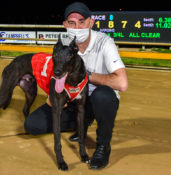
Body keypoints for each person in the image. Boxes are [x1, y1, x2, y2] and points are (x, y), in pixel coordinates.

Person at [24, 2, 128, 170]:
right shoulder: (64, 41)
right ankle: (81, 126)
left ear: (91, 22)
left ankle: (103, 146)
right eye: (71, 23)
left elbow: (122, 83)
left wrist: (87, 76)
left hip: (94, 100)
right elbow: (54, 67)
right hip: (70, 99)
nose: (77, 27)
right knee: (32, 125)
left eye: (82, 21)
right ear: (64, 25)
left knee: (103, 96)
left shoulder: (104, 42)